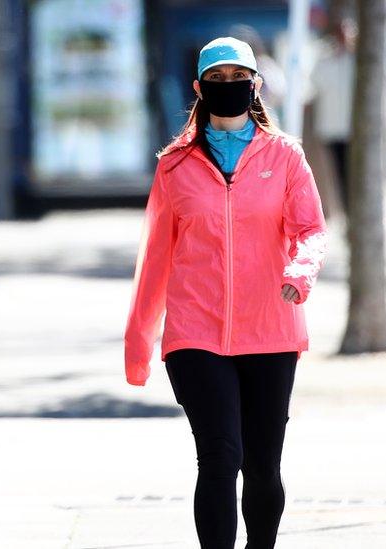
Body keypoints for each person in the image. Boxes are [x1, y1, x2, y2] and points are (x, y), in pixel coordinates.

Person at [123, 36, 328, 549]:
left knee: (262, 465)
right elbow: (155, 257)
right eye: (217, 80)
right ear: (199, 88)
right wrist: (138, 342)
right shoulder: (174, 166)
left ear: (255, 85)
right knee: (219, 457)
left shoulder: (285, 157)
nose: (229, 88)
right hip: (195, 333)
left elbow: (311, 230)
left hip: (271, 329)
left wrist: (300, 273)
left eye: (239, 80)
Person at [308, 18, 356, 216]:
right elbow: (315, 82)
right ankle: (340, 211)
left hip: (352, 129)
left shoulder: (355, 61)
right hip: (332, 128)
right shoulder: (325, 58)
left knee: (351, 174)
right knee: (335, 174)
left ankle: (349, 210)